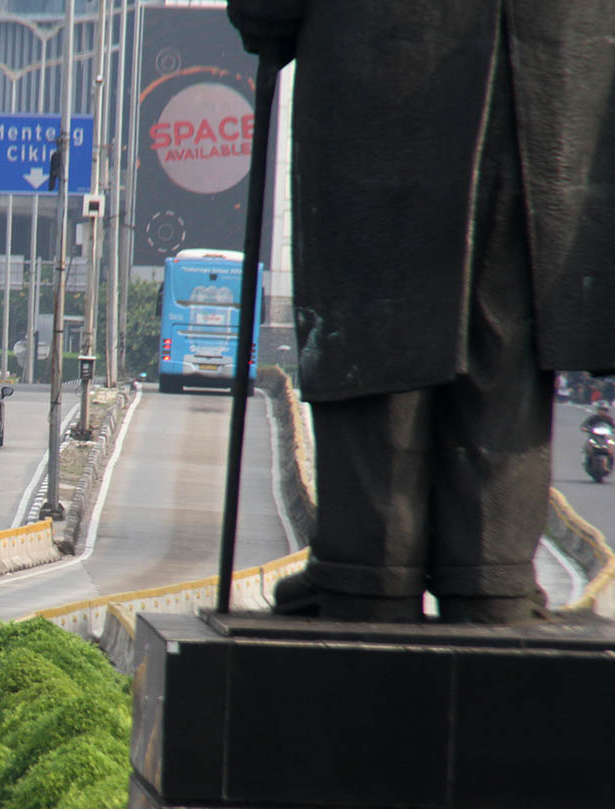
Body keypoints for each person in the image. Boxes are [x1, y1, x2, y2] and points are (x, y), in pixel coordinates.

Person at [227, 1, 615, 623]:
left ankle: (369, 571)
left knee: (376, 316)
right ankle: (493, 576)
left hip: (389, 48)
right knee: (508, 319)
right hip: (557, 48)